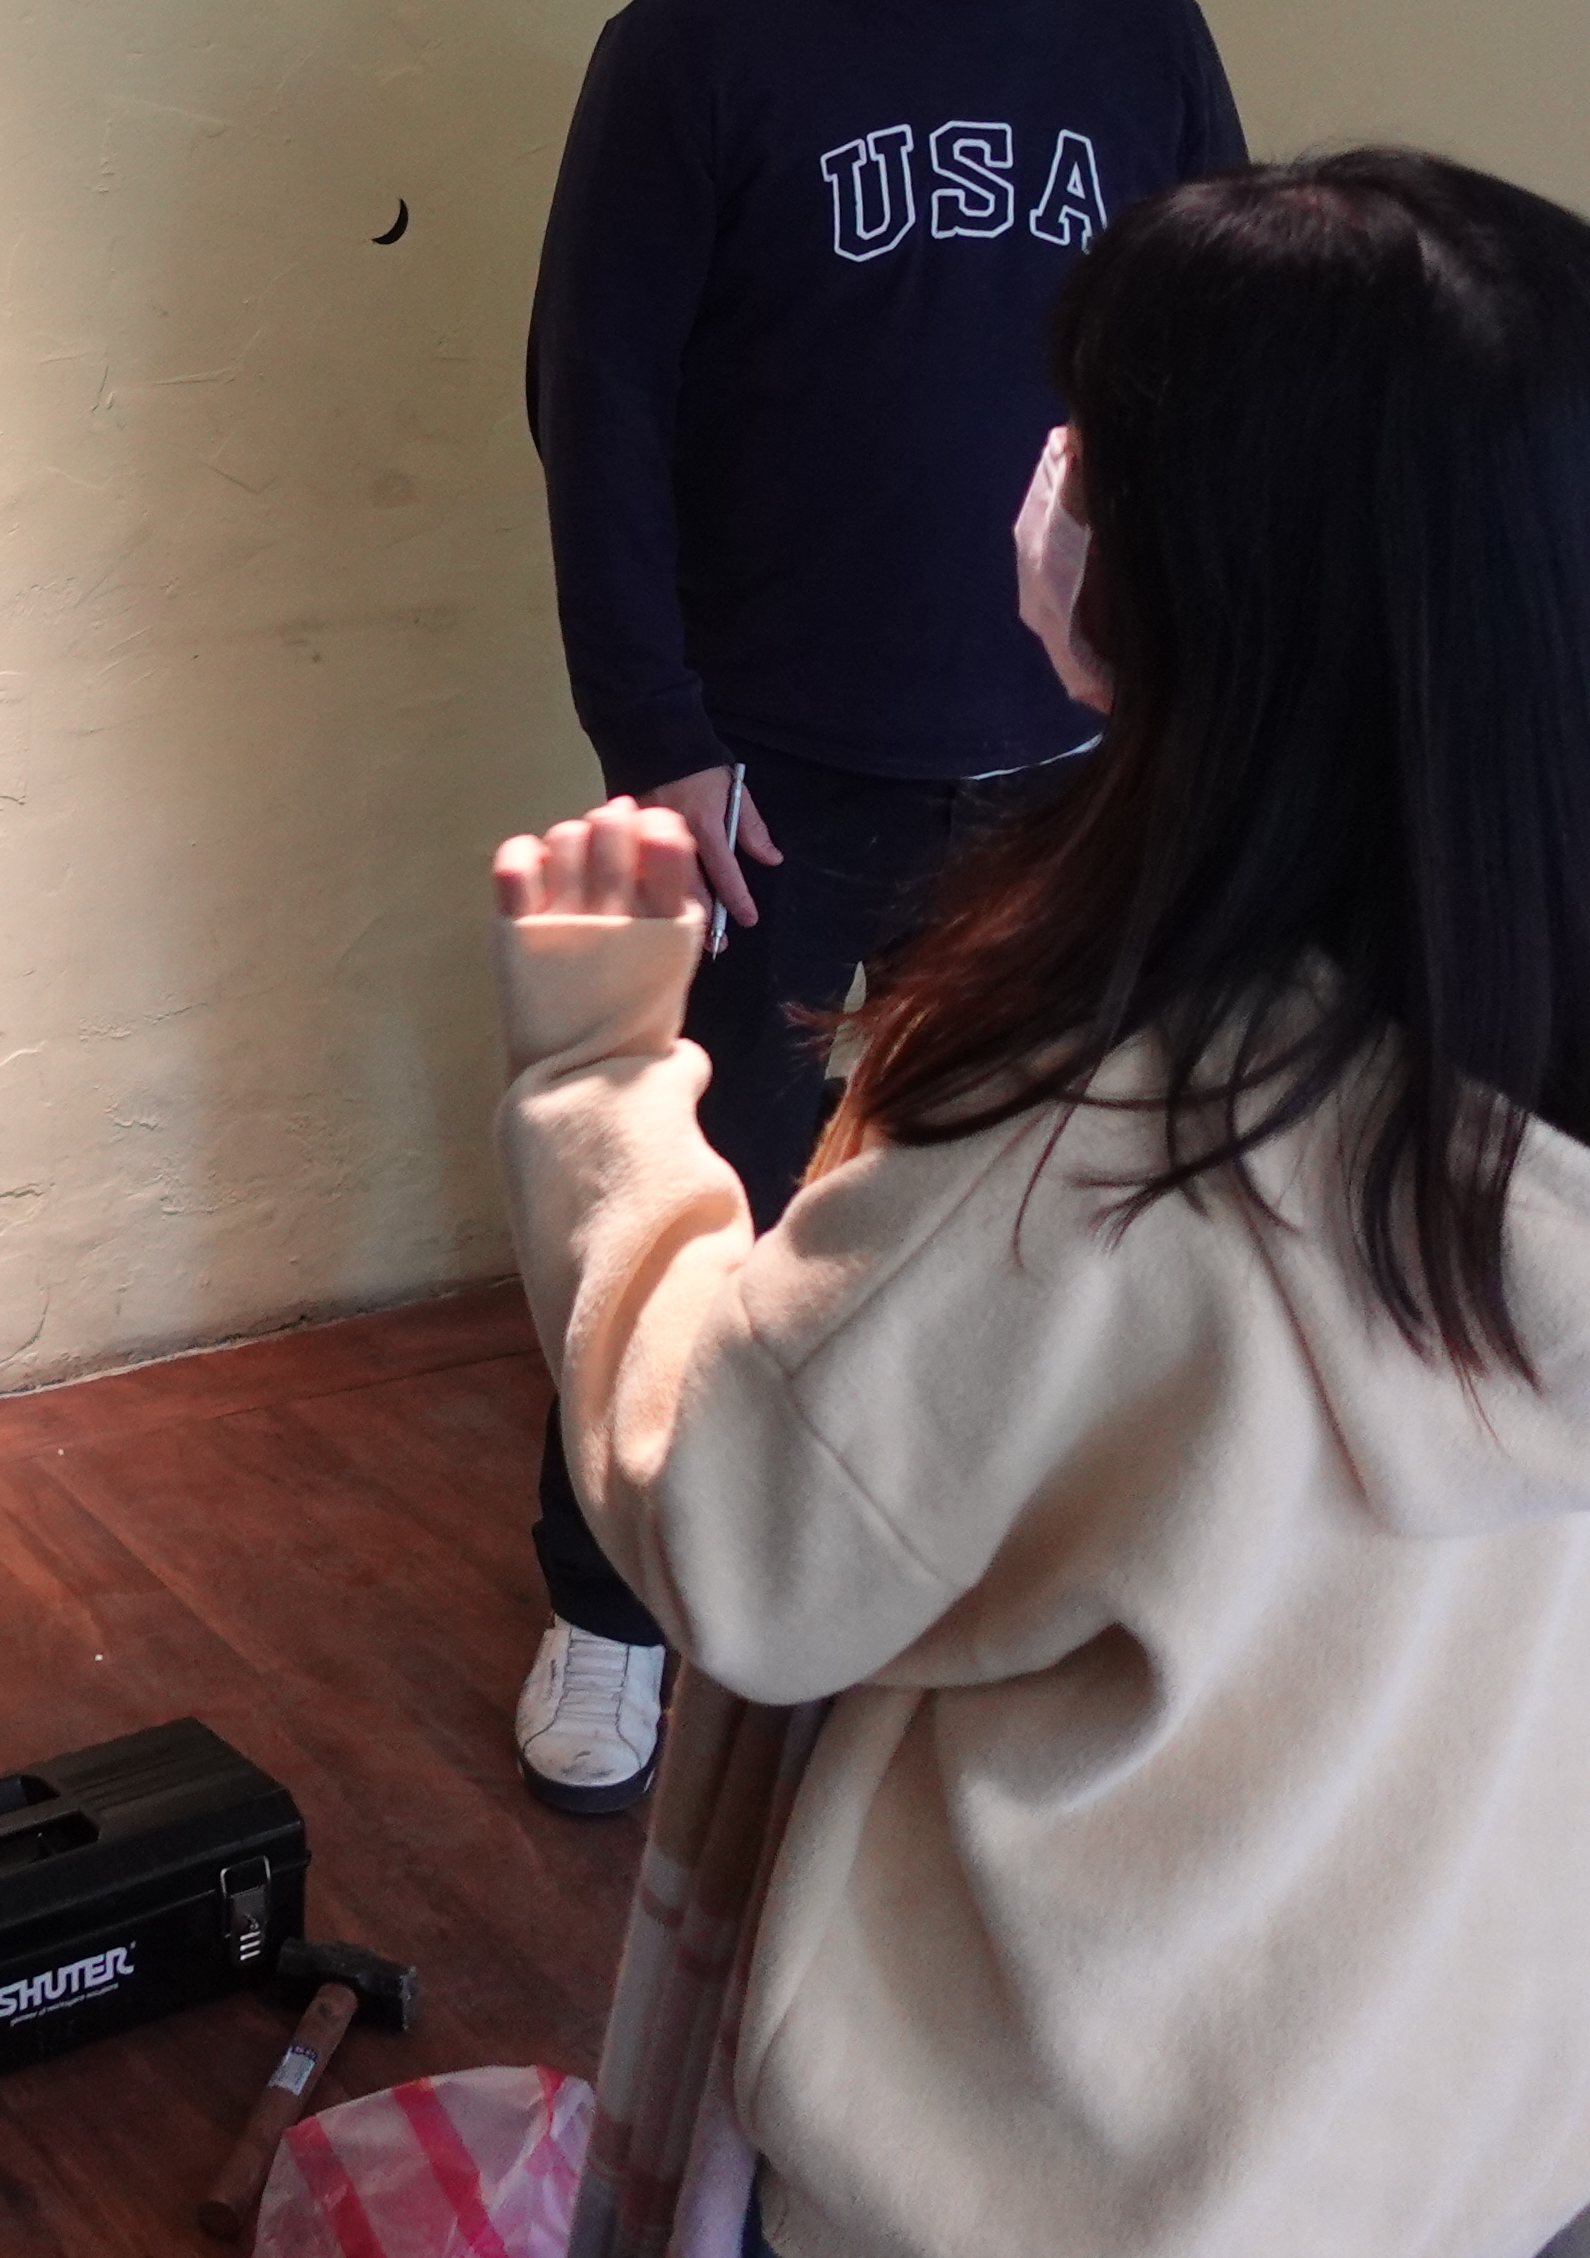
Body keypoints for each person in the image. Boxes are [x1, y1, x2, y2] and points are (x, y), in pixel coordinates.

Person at [492, 148, 1590, 2258]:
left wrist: (595, 1069)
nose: (1053, 476)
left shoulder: (1097, 1139)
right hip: (1475, 2134)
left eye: (1095, 439)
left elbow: (744, 1525)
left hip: (1060, 2176)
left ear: (1211, 574)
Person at [507, 0, 1245, 1812]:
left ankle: (961, 1583)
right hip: (780, 763)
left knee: (1046, 1186)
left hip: (1081, 751)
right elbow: (595, 409)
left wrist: (1202, 701)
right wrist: (664, 739)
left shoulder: (1141, 34)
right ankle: (611, 1605)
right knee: (717, 1179)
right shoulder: (695, 45)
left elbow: (1228, 381)